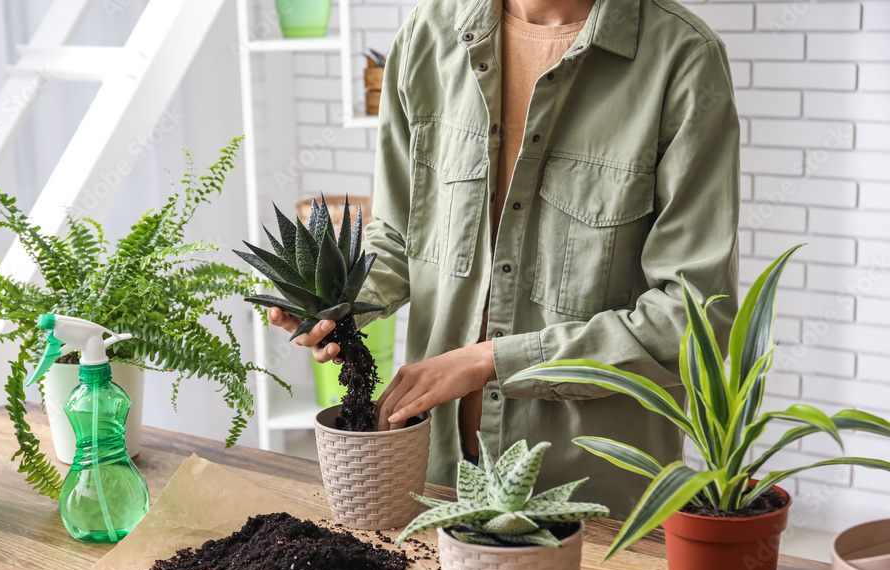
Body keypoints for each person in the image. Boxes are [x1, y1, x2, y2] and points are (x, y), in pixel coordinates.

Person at [268, 0, 739, 519]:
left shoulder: (683, 58)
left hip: (589, 494)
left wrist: (490, 361)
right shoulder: (427, 35)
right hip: (435, 478)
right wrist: (341, 301)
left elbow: (692, 318)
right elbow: (401, 236)